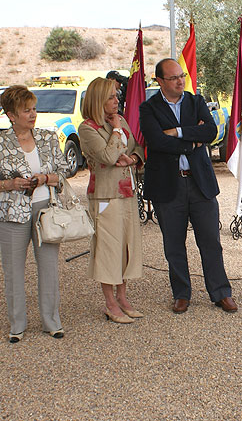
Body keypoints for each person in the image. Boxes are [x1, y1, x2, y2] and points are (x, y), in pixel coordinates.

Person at [139, 58, 237, 314]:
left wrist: (178, 132)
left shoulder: (196, 101)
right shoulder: (148, 108)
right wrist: (191, 142)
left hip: (199, 183)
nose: (180, 81)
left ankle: (220, 292)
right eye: (173, 78)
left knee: (211, 242)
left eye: (181, 75)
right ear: (159, 81)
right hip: (168, 186)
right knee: (174, 244)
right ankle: (181, 293)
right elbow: (156, 141)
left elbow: (210, 132)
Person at [0, 85, 69, 342]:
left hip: (45, 212)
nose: (32, 114)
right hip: (10, 215)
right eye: (26, 110)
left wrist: (45, 178)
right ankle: (17, 325)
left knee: (49, 268)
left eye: (34, 108)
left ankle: (52, 322)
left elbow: (64, 172)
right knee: (13, 271)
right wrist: (10, 184)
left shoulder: (48, 138)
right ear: (11, 115)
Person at [79, 77, 145, 324]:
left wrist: (133, 160)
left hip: (127, 192)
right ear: (98, 99)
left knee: (126, 247)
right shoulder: (88, 128)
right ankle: (109, 303)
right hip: (106, 196)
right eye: (111, 97)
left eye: (117, 96)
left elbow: (136, 146)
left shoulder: (121, 119)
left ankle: (123, 297)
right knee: (109, 249)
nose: (116, 101)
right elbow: (108, 155)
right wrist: (116, 131)